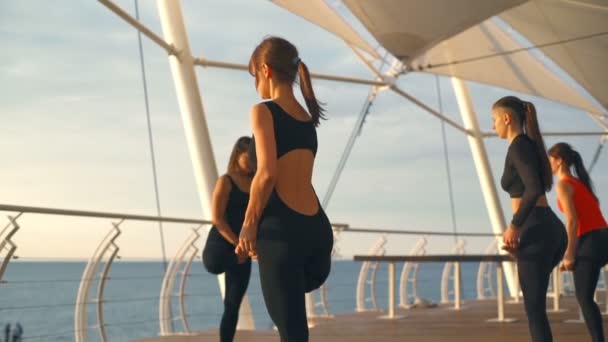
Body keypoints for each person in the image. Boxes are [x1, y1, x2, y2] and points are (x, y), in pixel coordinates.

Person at [235, 36, 333, 342]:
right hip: (317, 232)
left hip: (283, 233)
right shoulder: (307, 118)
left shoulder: (263, 111)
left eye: (254, 77)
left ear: (265, 70)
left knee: (292, 333)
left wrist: (248, 226)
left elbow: (266, 174)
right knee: (295, 331)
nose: (256, 85)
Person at [492, 96, 567, 342]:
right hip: (545, 228)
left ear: (506, 118)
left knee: (535, 313)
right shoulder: (528, 146)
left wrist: (515, 226)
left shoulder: (519, 147)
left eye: (494, 120)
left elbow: (534, 189)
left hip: (536, 226)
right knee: (536, 311)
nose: (493, 126)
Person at [549, 142, 608, 342]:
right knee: (586, 297)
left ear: (559, 161)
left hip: (590, 240)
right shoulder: (579, 182)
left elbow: (573, 220)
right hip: (603, 237)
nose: (548, 164)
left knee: (584, 299)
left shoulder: (563, 184)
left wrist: (570, 253)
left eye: (550, 160)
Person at [202, 136, 253, 342]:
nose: (252, 161)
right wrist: (237, 245)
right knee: (212, 264)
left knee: (232, 305)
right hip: (223, 241)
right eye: (249, 157)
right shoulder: (226, 180)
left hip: (245, 247)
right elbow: (218, 219)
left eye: (255, 157)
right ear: (237, 155)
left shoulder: (258, 182)